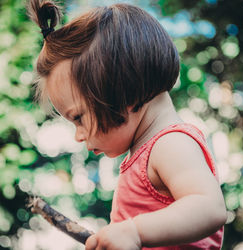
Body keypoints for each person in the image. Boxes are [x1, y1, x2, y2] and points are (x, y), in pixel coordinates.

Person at [27, 0, 227, 249]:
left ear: (124, 93)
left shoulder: (170, 143)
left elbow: (210, 207)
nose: (78, 136)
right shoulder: (147, 151)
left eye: (78, 118)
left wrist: (134, 231)